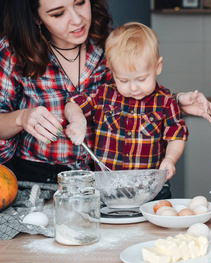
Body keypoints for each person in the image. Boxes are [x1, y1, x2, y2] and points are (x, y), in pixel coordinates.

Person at [0, 0, 211, 199]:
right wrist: (22, 118)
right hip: (39, 182)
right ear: (36, 17)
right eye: (58, 14)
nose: (77, 20)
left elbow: (137, 96)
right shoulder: (13, 52)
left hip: (102, 180)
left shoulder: (113, 44)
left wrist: (177, 101)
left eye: (80, 3)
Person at [64, 22, 188, 198]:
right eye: (123, 80)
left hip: (151, 189)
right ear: (112, 70)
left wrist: (170, 159)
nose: (134, 87)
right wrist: (78, 121)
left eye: (141, 79)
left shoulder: (166, 103)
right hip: (107, 189)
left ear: (158, 66)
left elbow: (177, 136)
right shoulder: (103, 95)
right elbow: (73, 103)